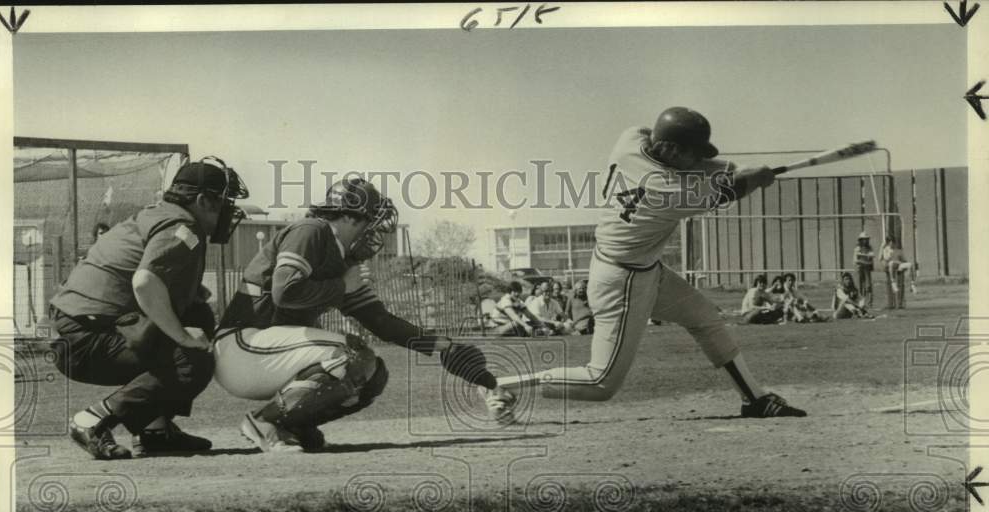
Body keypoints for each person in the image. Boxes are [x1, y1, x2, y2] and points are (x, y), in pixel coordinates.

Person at [493, 107, 806, 418]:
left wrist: (735, 168)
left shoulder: (629, 141)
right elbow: (728, 190)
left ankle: (755, 399)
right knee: (601, 382)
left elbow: (699, 167)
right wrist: (750, 178)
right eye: (692, 153)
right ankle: (500, 385)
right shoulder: (669, 192)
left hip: (643, 269)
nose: (697, 160)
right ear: (669, 149)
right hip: (621, 282)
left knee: (706, 317)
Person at [212, 177, 516, 452]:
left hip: (269, 356)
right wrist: (340, 286)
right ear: (347, 216)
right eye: (369, 222)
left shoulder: (342, 260)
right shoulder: (312, 230)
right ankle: (264, 422)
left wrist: (442, 345)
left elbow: (380, 322)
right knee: (351, 355)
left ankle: (292, 423)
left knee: (373, 374)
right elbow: (285, 292)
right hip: (241, 347)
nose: (373, 233)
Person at [48, 156, 248, 460]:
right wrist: (182, 338)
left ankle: (155, 430)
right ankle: (93, 419)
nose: (226, 211)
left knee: (197, 314)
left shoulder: (160, 215)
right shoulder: (185, 227)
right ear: (202, 200)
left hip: (78, 331)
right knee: (193, 357)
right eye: (222, 202)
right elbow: (144, 282)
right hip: (85, 338)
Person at [880, 236, 914, 309]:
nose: (891, 244)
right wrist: (882, 248)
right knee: (890, 286)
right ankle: (890, 304)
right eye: (889, 242)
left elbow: (905, 260)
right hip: (889, 270)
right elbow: (883, 258)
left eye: (892, 242)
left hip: (899, 269)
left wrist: (901, 263)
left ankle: (900, 303)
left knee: (900, 285)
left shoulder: (899, 251)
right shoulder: (886, 250)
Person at [854, 231, 875, 307]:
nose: (865, 240)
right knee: (860, 286)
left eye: (866, 239)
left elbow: (872, 256)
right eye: (863, 239)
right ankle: (861, 302)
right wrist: (865, 257)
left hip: (867, 268)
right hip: (860, 268)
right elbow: (856, 259)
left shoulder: (869, 248)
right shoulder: (857, 248)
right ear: (861, 240)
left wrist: (864, 256)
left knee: (868, 285)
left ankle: (869, 302)